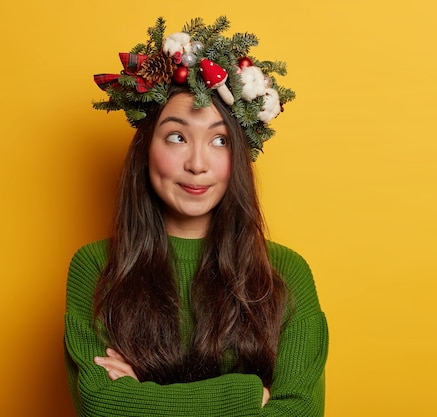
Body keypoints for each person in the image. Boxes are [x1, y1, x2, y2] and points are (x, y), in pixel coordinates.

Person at [64, 16, 328, 416]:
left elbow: (300, 412)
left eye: (219, 140)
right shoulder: (96, 268)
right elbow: (101, 406)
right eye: (177, 136)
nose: (197, 164)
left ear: (237, 158)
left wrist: (141, 400)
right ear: (145, 148)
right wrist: (246, 397)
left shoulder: (286, 273)